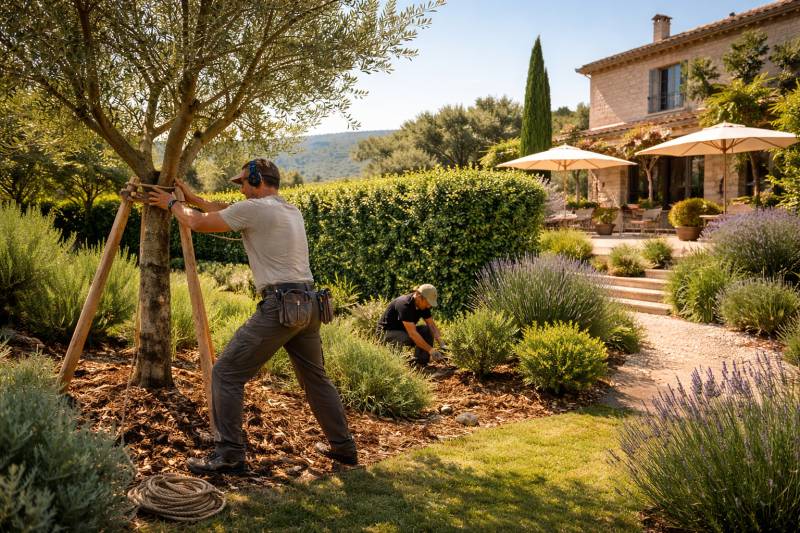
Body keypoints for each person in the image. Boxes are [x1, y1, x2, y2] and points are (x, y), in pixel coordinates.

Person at [149, 158, 358, 474]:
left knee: (226, 373)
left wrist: (172, 203)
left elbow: (198, 223)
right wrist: (193, 199)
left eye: (245, 183)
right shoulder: (288, 209)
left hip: (281, 306)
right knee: (316, 380)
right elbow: (224, 207)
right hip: (311, 304)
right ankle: (344, 450)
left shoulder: (255, 210)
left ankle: (230, 454)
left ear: (258, 179)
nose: (242, 189)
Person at [376, 284, 447, 367]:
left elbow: (432, 325)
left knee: (426, 330)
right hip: (385, 333)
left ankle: (421, 363)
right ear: (419, 296)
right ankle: (393, 362)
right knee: (407, 337)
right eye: (428, 302)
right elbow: (413, 334)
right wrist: (431, 351)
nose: (429, 306)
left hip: (403, 331)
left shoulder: (423, 306)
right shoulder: (404, 304)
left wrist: (442, 345)